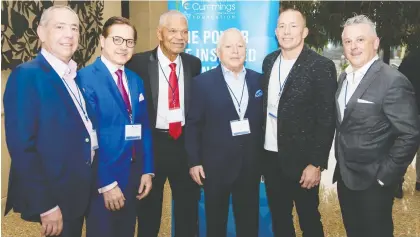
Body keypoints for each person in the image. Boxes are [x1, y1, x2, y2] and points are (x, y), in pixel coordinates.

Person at [3, 5, 97, 237]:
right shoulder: (27, 75)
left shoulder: (72, 74)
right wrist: (46, 204)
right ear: (41, 33)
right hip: (56, 195)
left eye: (74, 28)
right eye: (60, 27)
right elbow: (22, 147)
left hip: (79, 188)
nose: (69, 34)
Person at [334, 15, 420, 237]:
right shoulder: (345, 77)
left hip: (374, 184)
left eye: (360, 40)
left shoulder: (393, 81)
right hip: (345, 179)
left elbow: (410, 135)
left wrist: (384, 178)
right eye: (348, 41)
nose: (353, 47)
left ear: (376, 43)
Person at [261, 8, 337, 237]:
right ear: (275, 32)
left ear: (304, 32)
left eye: (293, 26)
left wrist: (316, 163)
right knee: (280, 218)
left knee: (309, 219)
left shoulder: (320, 66)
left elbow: (327, 118)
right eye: (282, 26)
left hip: (303, 161)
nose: (287, 31)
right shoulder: (269, 61)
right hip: (271, 156)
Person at [126, 10, 201, 237]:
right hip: (152, 146)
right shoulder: (137, 63)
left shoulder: (193, 64)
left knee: (188, 213)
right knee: (148, 211)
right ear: (160, 33)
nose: (180, 37)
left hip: (184, 146)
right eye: (173, 31)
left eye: (184, 32)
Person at [78, 16, 154, 237]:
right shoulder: (85, 79)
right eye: (117, 39)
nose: (124, 47)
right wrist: (106, 183)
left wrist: (147, 170)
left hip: (133, 175)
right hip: (104, 179)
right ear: (102, 41)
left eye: (129, 42)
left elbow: (144, 128)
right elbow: (87, 139)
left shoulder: (135, 79)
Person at [185, 28, 263, 237]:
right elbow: (193, 125)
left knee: (249, 225)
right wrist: (194, 161)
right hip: (215, 168)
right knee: (215, 225)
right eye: (229, 46)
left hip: (250, 167)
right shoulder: (202, 83)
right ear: (218, 52)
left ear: (246, 50)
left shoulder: (259, 81)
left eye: (240, 46)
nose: (235, 51)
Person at [397, 49, 420, 197]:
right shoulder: (412, 58)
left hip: (410, 109)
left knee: (406, 147)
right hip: (411, 111)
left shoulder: (411, 57)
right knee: (407, 147)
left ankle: (397, 181)